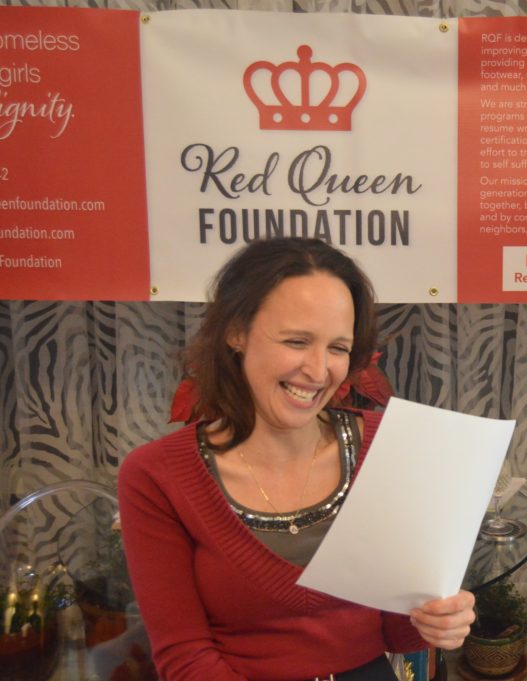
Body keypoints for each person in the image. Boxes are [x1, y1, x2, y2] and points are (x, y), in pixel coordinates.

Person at [118, 238, 475, 681]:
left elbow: (400, 634)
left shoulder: (390, 446)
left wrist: (438, 618)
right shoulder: (156, 476)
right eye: (296, 341)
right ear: (236, 332)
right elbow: (185, 656)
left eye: (338, 348)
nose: (319, 370)